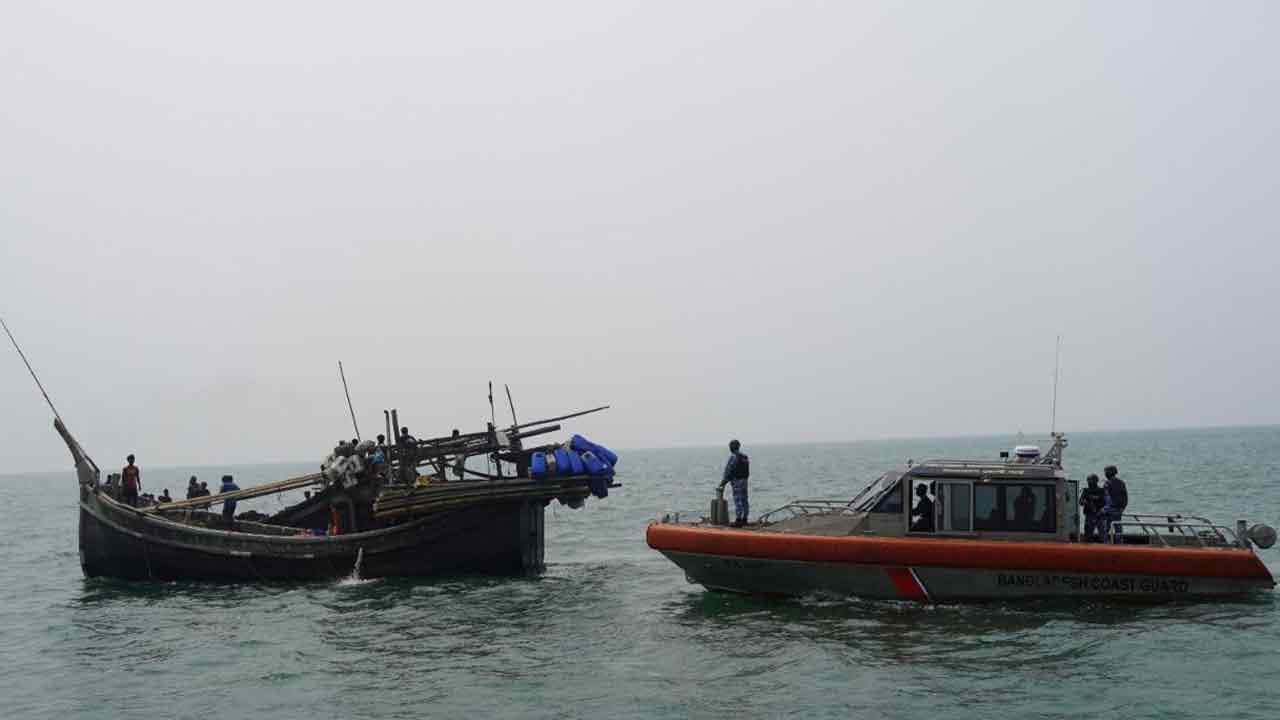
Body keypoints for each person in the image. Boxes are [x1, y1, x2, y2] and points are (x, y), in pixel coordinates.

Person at [717, 439, 750, 527]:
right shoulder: (744, 457)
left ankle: (738, 520)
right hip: (744, 481)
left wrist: (723, 483)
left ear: (731, 447)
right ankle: (745, 519)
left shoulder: (733, 457)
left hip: (737, 482)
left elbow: (729, 471)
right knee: (744, 500)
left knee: (738, 500)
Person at [1102, 465, 1128, 544]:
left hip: (1110, 509)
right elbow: (1125, 497)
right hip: (1118, 509)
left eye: (1106, 472)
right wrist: (1122, 508)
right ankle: (1119, 543)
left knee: (1105, 528)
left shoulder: (1107, 483)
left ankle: (1106, 543)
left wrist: (1105, 509)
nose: (1105, 474)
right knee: (1118, 528)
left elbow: (1107, 497)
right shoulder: (1121, 483)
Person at [1079, 474, 1106, 542]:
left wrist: (1095, 500)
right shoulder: (1086, 491)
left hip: (1100, 515)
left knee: (1102, 533)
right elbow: (1080, 501)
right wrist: (1085, 502)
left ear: (1096, 481)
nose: (1089, 482)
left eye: (1091, 481)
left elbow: (1105, 502)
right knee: (1088, 533)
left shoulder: (1101, 490)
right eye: (1088, 481)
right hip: (1089, 514)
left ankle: (1104, 546)